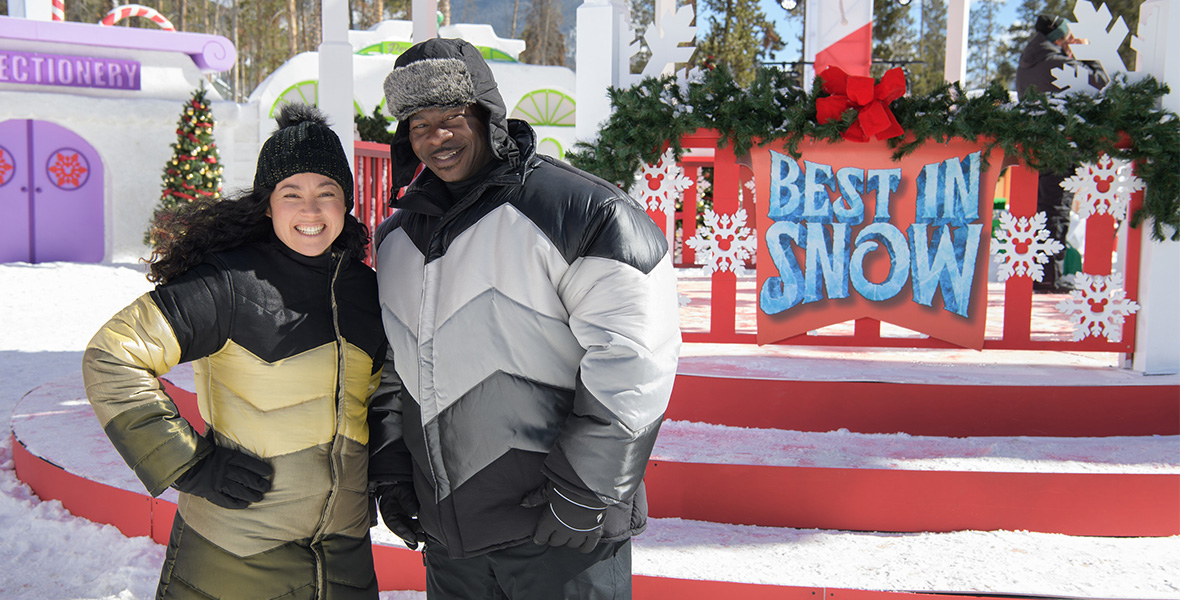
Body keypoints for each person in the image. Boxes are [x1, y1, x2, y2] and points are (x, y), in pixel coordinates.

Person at [368, 38, 681, 599]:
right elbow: (395, 363)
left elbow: (636, 357)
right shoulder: (396, 241)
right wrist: (394, 470)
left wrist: (588, 489)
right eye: (418, 123)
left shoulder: (584, 213)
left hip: (561, 535)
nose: (435, 137)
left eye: (451, 117)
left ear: (487, 114)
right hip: (451, 543)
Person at [82, 104, 387, 599]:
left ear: (346, 202)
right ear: (268, 204)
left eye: (326, 193)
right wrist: (189, 463)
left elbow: (385, 399)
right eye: (292, 194)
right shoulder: (228, 282)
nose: (310, 211)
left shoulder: (368, 291)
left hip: (342, 558)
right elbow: (112, 357)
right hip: (233, 556)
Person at [1015, 14, 1110, 293]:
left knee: (1040, 209)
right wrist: (1088, 54)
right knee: (1056, 209)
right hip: (1059, 144)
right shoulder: (1058, 63)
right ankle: (1049, 278)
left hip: (1035, 143)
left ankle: (1038, 274)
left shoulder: (1028, 60)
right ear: (1060, 39)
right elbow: (1100, 81)